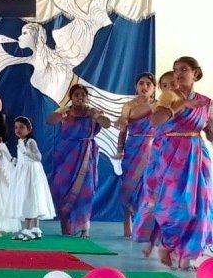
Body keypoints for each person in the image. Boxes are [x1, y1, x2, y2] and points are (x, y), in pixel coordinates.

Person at [147, 57, 213, 270]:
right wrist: (182, 104)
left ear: (195, 73)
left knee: (201, 208)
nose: (178, 73)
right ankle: (167, 244)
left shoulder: (206, 102)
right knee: (178, 206)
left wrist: (210, 128)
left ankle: (188, 256)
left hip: (198, 156)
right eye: (176, 69)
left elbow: (209, 133)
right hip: (173, 155)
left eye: (184, 69)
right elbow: (155, 121)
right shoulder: (170, 95)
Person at [47, 84, 111, 238]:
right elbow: (49, 121)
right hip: (66, 156)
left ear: (87, 97)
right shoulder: (65, 112)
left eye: (83, 94)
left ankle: (84, 228)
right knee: (61, 189)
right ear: (71, 97)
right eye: (76, 94)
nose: (80, 97)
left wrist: (95, 116)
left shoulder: (92, 113)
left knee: (85, 191)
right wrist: (61, 113)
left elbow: (107, 124)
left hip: (86, 156)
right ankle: (67, 227)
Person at [134, 72, 175, 256]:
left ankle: (172, 247)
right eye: (164, 86)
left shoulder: (187, 106)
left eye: (172, 84)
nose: (169, 88)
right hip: (159, 158)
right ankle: (151, 241)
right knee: (156, 200)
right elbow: (138, 116)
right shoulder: (158, 107)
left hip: (180, 159)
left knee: (175, 203)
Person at [115, 73, 156, 239]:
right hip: (132, 148)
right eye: (141, 83)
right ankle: (127, 219)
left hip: (152, 150)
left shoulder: (159, 105)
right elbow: (122, 130)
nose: (144, 87)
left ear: (154, 88)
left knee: (148, 187)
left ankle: (144, 224)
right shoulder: (129, 106)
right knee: (128, 186)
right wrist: (119, 149)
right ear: (136, 86)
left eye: (148, 84)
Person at [8, 116, 55, 241]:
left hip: (31, 173)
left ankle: (28, 231)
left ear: (29, 129)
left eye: (21, 127)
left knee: (30, 198)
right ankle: (35, 229)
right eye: (16, 127)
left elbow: (38, 157)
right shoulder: (20, 142)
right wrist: (14, 160)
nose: (18, 130)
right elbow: (23, 158)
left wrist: (25, 152)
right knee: (28, 198)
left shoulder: (30, 142)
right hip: (23, 172)